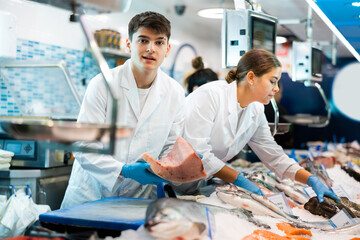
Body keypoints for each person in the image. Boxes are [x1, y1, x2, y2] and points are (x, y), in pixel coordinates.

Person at [61, 11, 185, 208]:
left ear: (167, 49)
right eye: (143, 40)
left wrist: (179, 161)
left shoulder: (175, 93)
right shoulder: (102, 83)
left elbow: (169, 145)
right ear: (129, 44)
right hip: (91, 195)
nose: (151, 49)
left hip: (138, 198)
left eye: (159, 42)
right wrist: (123, 170)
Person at [183, 49, 339, 203]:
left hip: (197, 182)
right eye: (272, 81)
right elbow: (198, 153)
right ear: (251, 77)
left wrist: (311, 180)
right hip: (168, 181)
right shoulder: (210, 96)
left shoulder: (256, 109)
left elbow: (274, 156)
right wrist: (240, 180)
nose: (277, 88)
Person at [264, 81, 294, 148]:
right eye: (280, 93)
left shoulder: (259, 107)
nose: (281, 96)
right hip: (277, 147)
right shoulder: (279, 110)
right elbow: (288, 137)